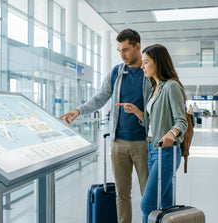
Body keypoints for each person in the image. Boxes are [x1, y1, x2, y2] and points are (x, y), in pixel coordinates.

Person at [59, 29, 150, 223]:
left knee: (147, 195)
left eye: (126, 50)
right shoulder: (117, 72)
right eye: (119, 51)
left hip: (143, 142)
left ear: (137, 47)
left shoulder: (150, 73)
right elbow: (100, 97)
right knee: (121, 194)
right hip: (118, 143)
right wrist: (78, 111)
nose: (122, 55)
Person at [116, 44, 187, 223]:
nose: (142, 66)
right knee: (165, 205)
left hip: (166, 152)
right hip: (152, 149)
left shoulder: (171, 86)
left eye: (146, 62)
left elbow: (181, 120)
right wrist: (137, 112)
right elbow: (151, 123)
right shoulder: (156, 87)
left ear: (158, 63)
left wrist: (172, 133)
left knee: (147, 205)